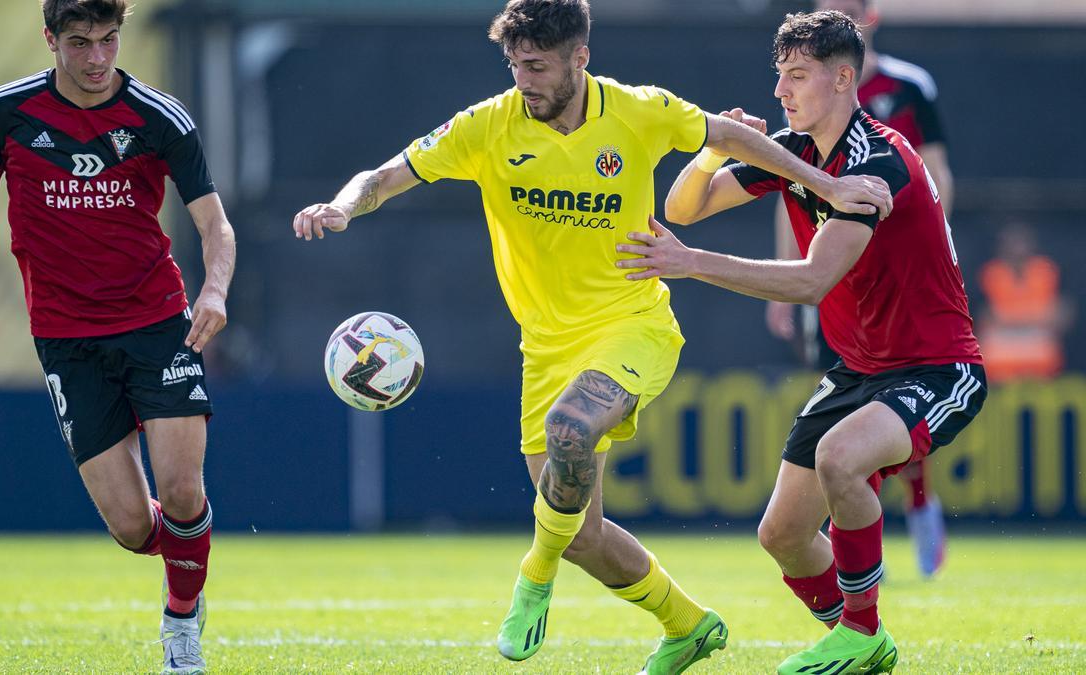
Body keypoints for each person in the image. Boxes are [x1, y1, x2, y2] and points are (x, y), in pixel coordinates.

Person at [292, 1, 890, 672]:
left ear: (580, 58)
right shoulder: (488, 126)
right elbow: (388, 173)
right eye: (515, 65)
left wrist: (823, 182)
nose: (524, 80)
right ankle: (687, 624)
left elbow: (731, 136)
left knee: (572, 429)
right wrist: (342, 206)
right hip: (545, 347)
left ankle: (533, 574)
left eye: (538, 66)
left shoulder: (639, 110)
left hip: (633, 325)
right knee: (582, 534)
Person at [617, 11, 985, 673]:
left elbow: (813, 279)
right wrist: (712, 150)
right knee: (782, 534)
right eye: (779, 75)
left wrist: (690, 262)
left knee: (842, 458)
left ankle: (863, 632)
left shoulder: (876, 165)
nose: (782, 91)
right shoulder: (799, 154)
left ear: (843, 79)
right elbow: (683, 207)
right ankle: (860, 642)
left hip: (936, 367)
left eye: (797, 76)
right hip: (858, 369)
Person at [0, 1, 236, 672]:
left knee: (182, 491)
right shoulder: (8, 113)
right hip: (66, 339)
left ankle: (182, 620)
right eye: (79, 43)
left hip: (157, 323)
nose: (97, 59)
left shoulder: (159, 117)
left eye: (108, 41)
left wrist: (216, 288)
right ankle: (188, 554)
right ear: (50, 38)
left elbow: (215, 226)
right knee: (133, 526)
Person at [765, 0, 957, 579]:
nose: (785, 88)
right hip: (839, 282)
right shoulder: (802, 115)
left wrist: (933, 246)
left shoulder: (904, 90)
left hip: (891, 273)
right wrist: (783, 278)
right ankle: (858, 544)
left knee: (888, 401)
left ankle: (917, 508)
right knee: (854, 404)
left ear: (870, 17)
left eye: (852, 6)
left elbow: (935, 171)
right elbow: (789, 191)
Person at [977, 221, 1073, 382]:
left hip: (1042, 361)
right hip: (999, 362)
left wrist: (1007, 317)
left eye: (1021, 243)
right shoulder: (990, 274)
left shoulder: (1046, 271)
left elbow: (1061, 314)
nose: (1017, 249)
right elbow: (983, 317)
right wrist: (1036, 316)